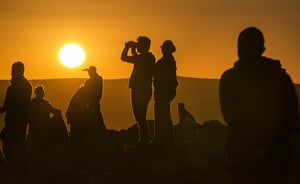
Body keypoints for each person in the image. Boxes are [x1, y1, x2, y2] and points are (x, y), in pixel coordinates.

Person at [219, 27, 298, 184]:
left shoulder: (230, 79)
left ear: (239, 49)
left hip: (244, 154)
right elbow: (291, 115)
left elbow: (230, 116)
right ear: (262, 49)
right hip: (275, 152)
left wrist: (252, 143)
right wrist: (269, 141)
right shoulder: (281, 78)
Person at [121, 36, 155, 147]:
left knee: (140, 116)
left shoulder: (145, 58)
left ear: (144, 46)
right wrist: (134, 49)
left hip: (140, 90)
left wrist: (127, 47)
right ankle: (144, 138)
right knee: (140, 115)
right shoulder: (148, 57)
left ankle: (144, 139)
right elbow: (136, 58)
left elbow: (123, 57)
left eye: (139, 44)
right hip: (142, 89)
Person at [0, 61, 32, 173]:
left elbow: (7, 106)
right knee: (19, 142)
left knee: (7, 138)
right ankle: (21, 165)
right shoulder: (27, 86)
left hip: (13, 120)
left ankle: (13, 164)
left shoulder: (13, 88)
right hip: (23, 120)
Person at [151, 40, 178, 149]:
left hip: (163, 91)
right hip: (165, 91)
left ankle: (161, 138)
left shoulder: (166, 61)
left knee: (161, 114)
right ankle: (166, 138)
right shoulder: (170, 60)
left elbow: (158, 74)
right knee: (164, 114)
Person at [29, 85, 62, 151]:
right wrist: (59, 111)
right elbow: (53, 111)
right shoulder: (45, 104)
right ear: (42, 93)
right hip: (44, 128)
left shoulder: (32, 103)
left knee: (35, 146)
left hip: (33, 128)